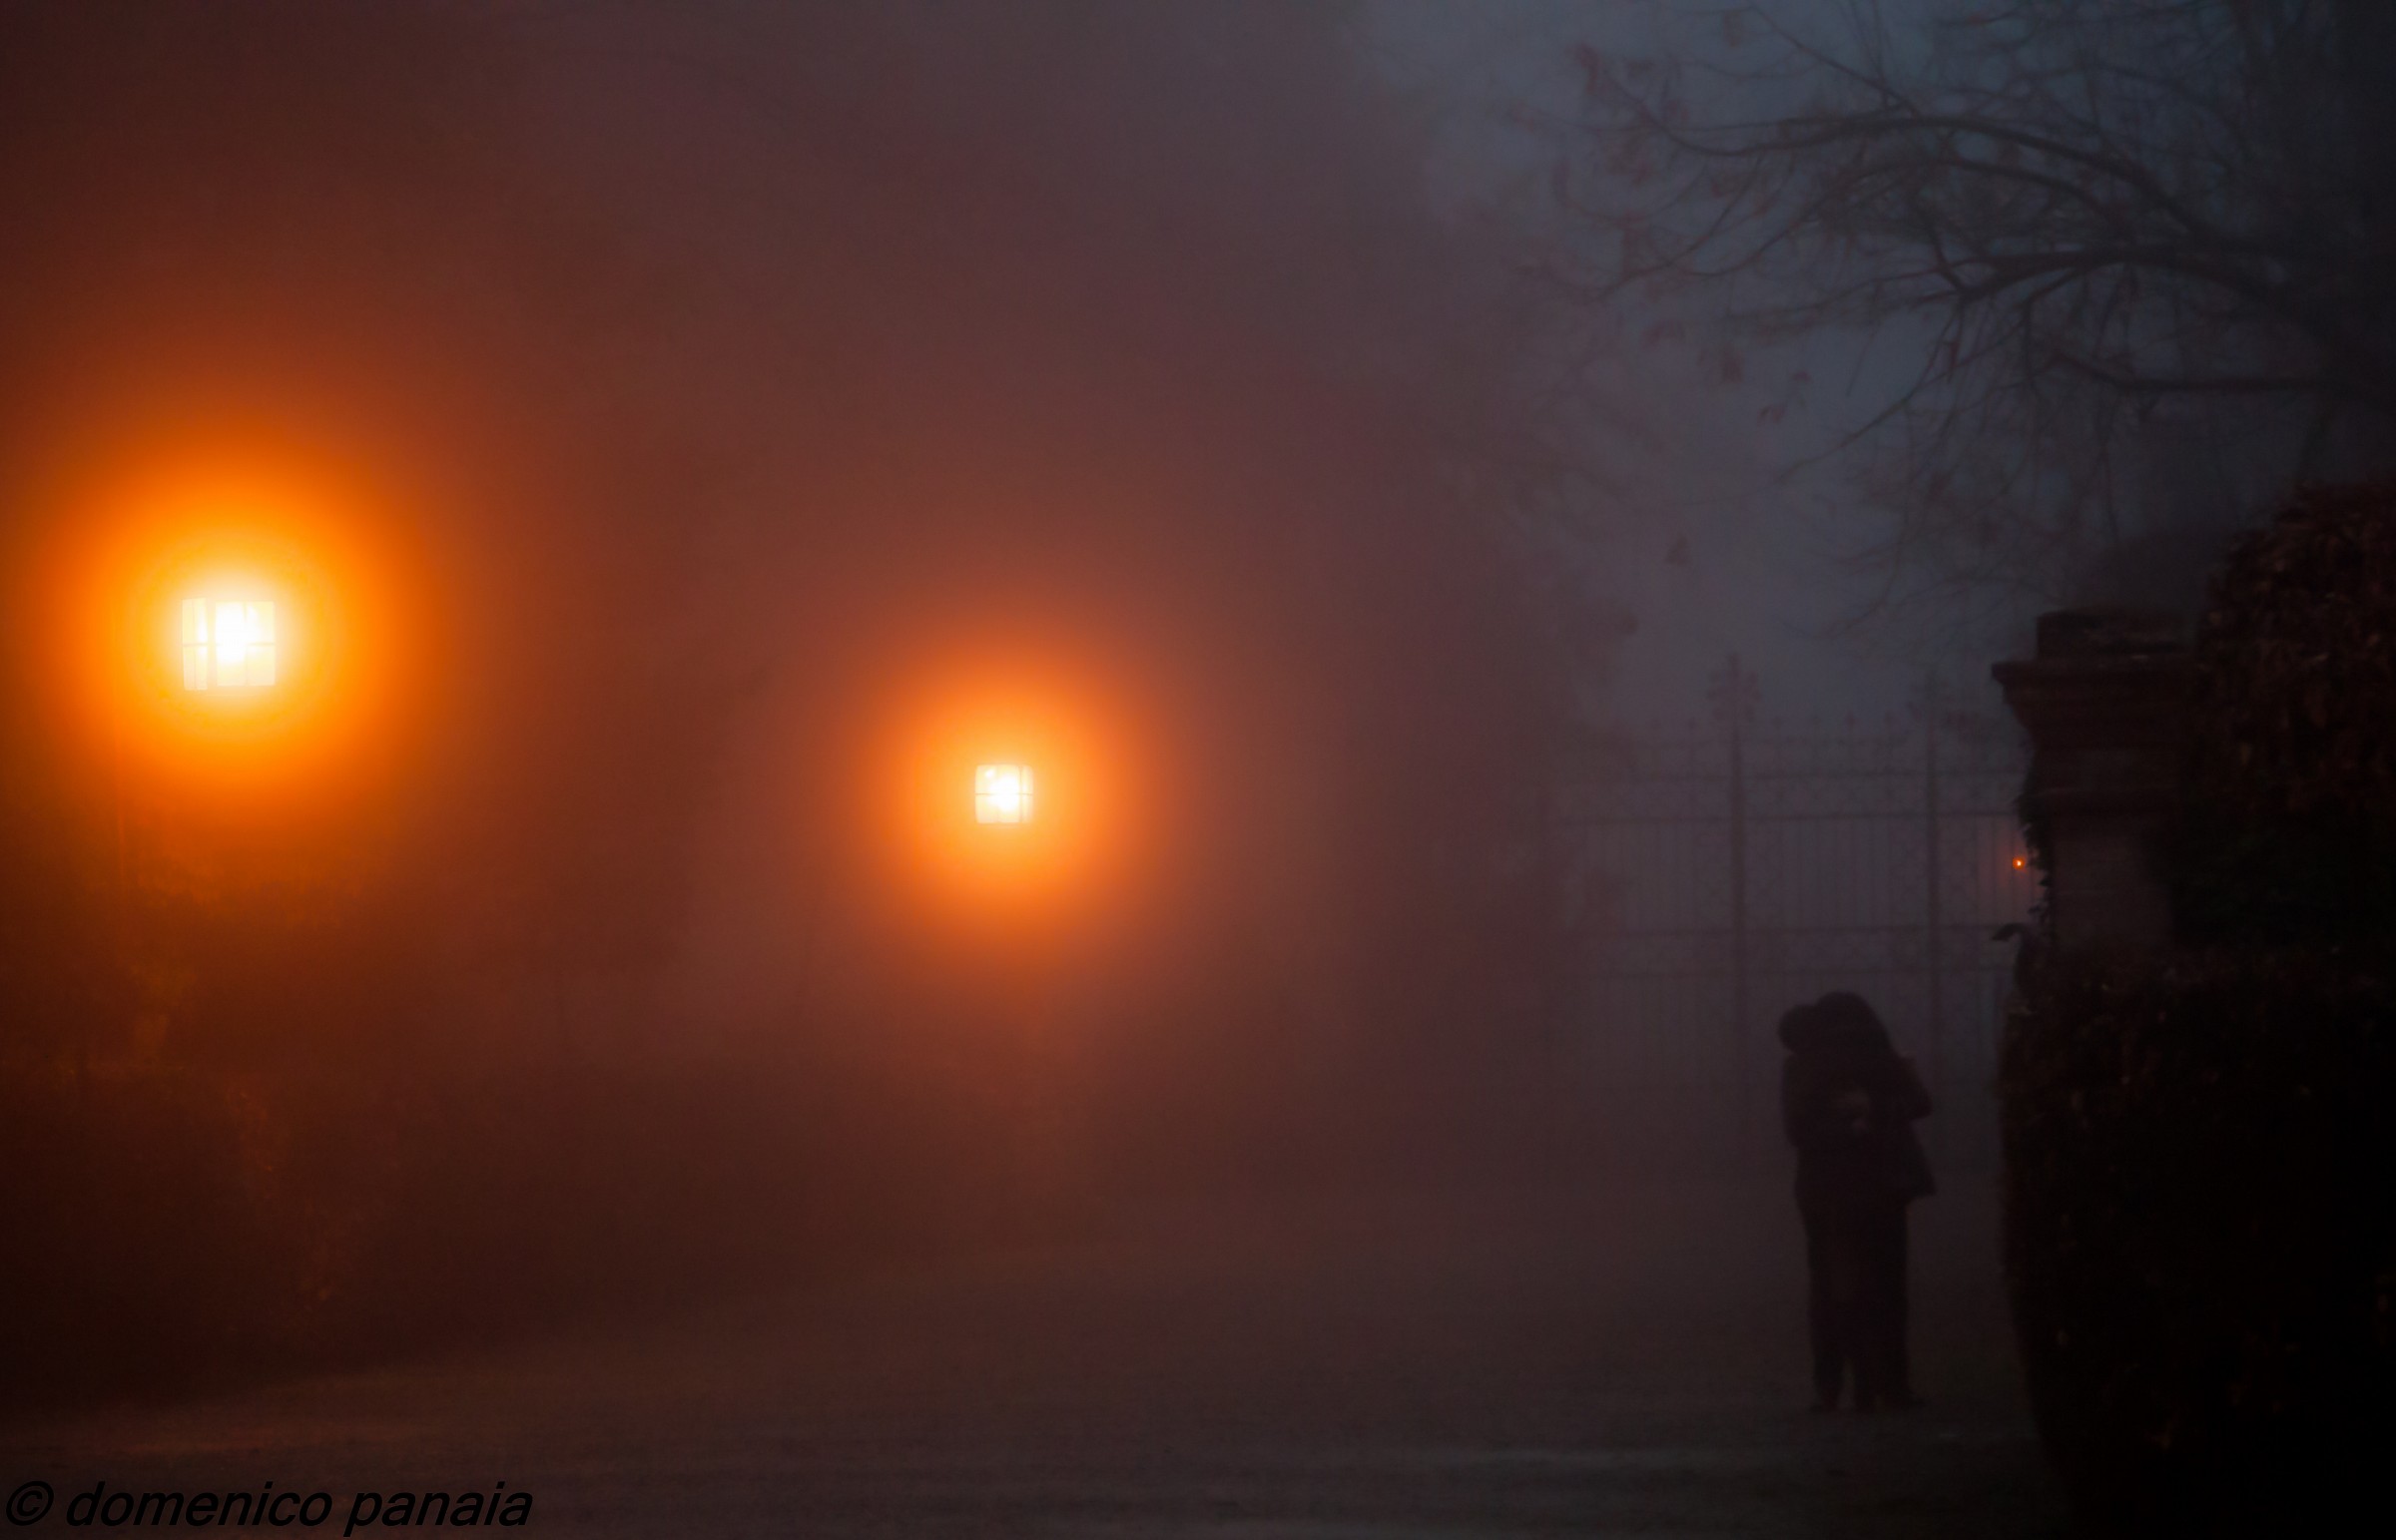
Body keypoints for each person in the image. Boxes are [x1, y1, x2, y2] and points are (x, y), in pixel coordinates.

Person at [1812, 990, 1935, 1411]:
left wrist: (1866, 1112)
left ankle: (1862, 1382)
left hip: (1845, 1190)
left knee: (1851, 1290)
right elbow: (1920, 1103)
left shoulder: (1821, 1065)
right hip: (1882, 1186)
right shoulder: (1882, 1059)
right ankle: (1890, 1383)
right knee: (1886, 1288)